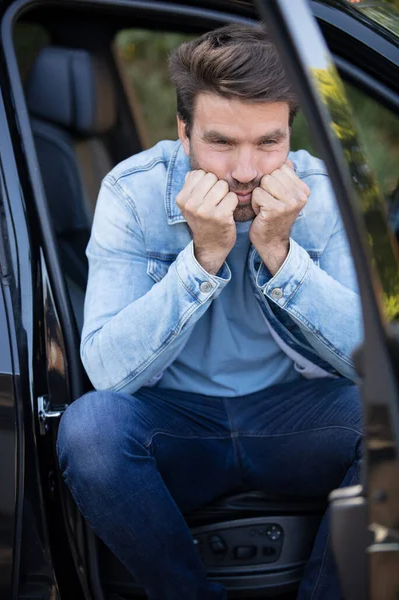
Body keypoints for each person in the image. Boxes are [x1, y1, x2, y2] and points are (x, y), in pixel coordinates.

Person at [56, 23, 363, 600]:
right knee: (91, 429)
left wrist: (280, 253)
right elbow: (106, 373)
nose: (245, 171)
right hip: (177, 424)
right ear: (183, 132)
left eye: (268, 143)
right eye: (221, 142)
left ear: (290, 135)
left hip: (291, 419)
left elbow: (367, 366)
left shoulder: (323, 193)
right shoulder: (132, 192)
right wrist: (202, 260)